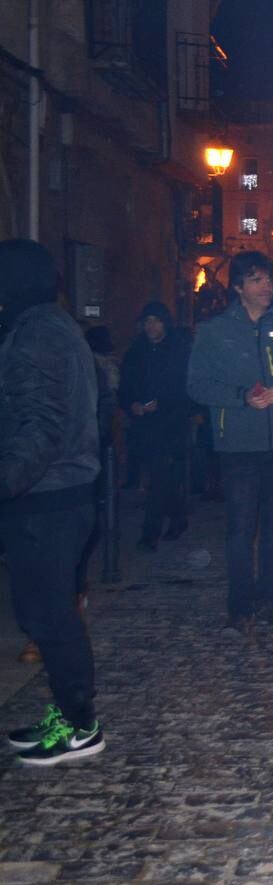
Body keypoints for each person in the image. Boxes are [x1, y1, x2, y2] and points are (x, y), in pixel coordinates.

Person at [0, 239, 105, 765]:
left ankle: (81, 726)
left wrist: (7, 480)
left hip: (48, 497)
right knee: (44, 614)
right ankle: (67, 714)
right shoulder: (50, 326)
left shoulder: (38, 333)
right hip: (57, 495)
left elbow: (38, 425)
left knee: (51, 618)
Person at [187, 251, 273, 633]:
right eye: (258, 279)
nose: (268, 286)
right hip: (238, 445)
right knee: (240, 527)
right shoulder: (214, 332)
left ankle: (268, 601)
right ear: (238, 287)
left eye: (269, 279)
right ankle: (239, 606)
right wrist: (240, 395)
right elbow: (196, 384)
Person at [118, 301, 191, 551]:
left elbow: (186, 388)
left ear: (165, 324)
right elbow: (125, 387)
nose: (151, 326)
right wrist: (133, 405)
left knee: (159, 478)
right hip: (144, 426)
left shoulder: (178, 351)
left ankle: (150, 534)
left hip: (170, 425)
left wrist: (164, 404)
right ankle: (178, 516)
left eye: (156, 321)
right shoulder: (135, 352)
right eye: (147, 321)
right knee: (162, 478)